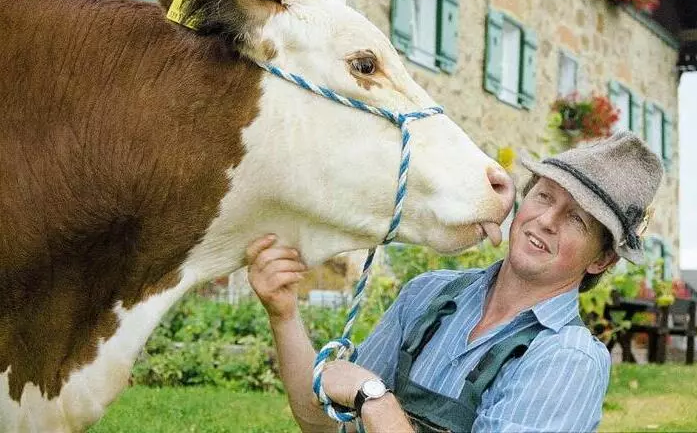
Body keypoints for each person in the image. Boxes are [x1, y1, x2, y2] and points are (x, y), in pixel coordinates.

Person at [246, 131, 663, 433]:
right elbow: (324, 427)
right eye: (544, 196)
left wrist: (376, 400)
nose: (546, 221)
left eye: (576, 219)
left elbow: (365, 398)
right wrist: (284, 314)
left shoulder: (567, 359)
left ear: (602, 258)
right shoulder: (427, 296)